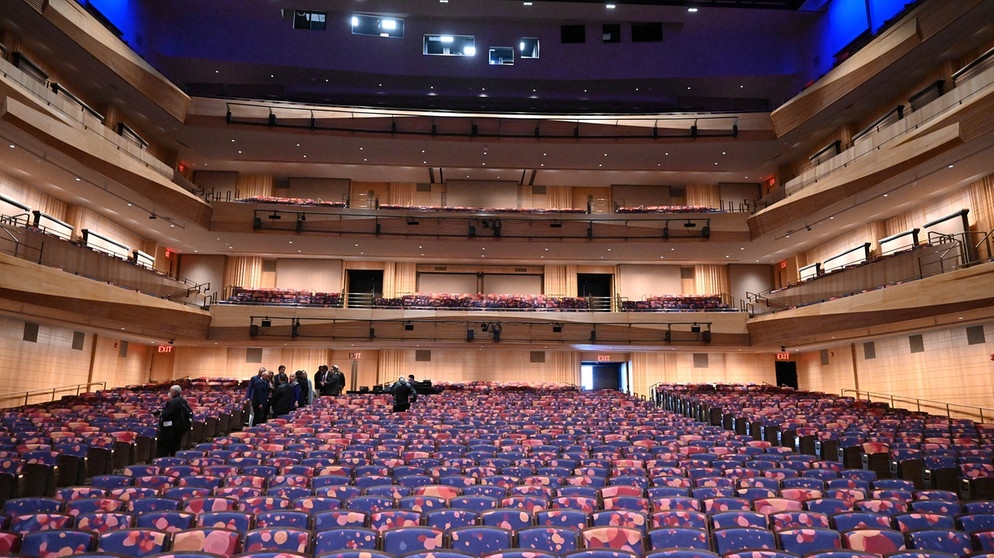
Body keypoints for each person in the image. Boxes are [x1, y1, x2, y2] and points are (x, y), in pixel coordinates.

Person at [157, 384, 191, 457]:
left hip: (170, 429)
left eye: (170, 391)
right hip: (180, 428)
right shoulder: (183, 401)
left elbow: (166, 415)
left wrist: (161, 413)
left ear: (173, 392)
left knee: (164, 449)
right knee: (176, 447)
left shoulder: (172, 402)